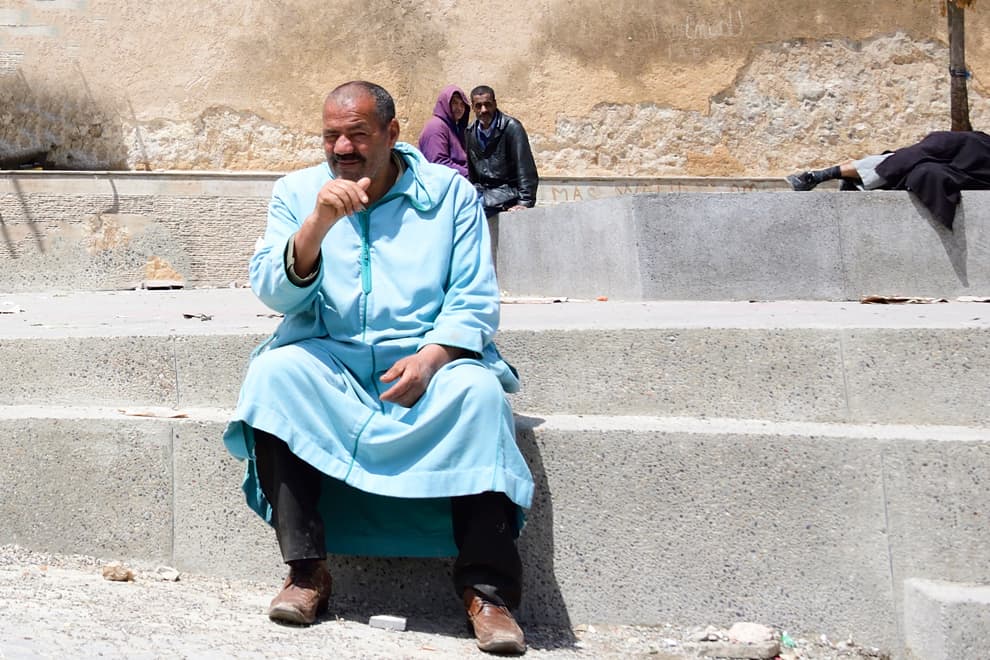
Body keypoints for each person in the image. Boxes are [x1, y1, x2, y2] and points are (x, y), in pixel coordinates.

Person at [222, 80, 533, 655]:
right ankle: (307, 572)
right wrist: (315, 225)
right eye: (331, 136)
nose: (342, 148)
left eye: (357, 135)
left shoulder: (450, 195)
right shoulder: (297, 192)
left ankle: (486, 593)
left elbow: (473, 301)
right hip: (332, 359)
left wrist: (435, 357)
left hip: (427, 363)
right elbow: (273, 291)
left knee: (480, 396)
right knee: (274, 377)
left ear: (392, 134)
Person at [785, 130, 990, 228]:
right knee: (914, 160)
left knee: (919, 162)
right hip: (968, 152)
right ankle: (826, 175)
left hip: (976, 156)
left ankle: (826, 175)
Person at [465, 85, 539, 217]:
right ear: (473, 108)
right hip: (483, 192)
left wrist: (525, 202)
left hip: (508, 191)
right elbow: (473, 174)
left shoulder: (512, 128)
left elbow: (526, 168)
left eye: (487, 104)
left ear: (495, 104)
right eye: (478, 106)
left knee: (473, 211)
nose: (484, 110)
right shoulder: (470, 131)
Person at [418, 84, 470, 177]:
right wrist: (471, 175)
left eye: (462, 104)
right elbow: (438, 164)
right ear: (445, 104)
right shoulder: (435, 127)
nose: (459, 108)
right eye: (454, 103)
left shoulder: (454, 128)